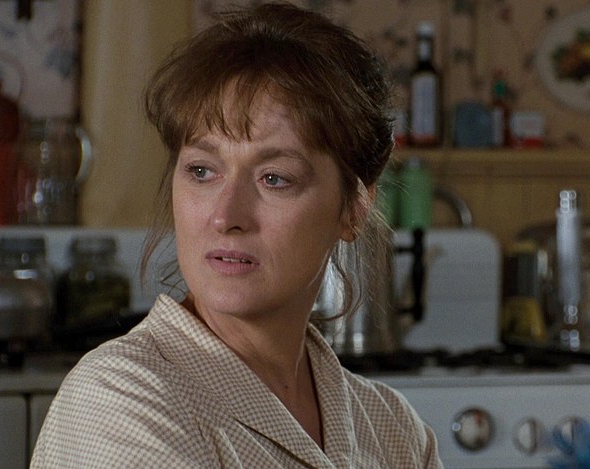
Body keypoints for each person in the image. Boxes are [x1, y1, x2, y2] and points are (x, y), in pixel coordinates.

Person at [31, 3, 442, 468]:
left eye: (275, 178)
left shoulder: (394, 430)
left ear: (354, 208)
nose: (226, 216)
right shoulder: (119, 401)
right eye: (202, 171)